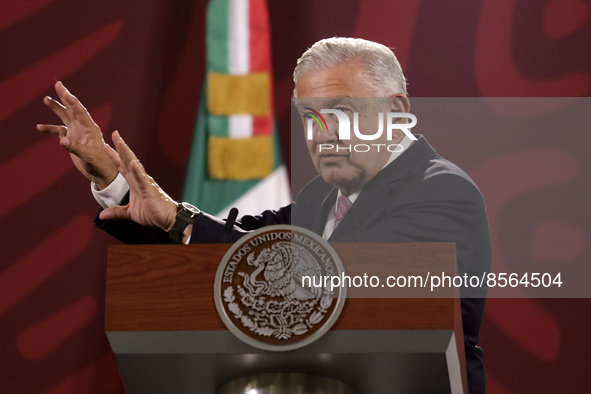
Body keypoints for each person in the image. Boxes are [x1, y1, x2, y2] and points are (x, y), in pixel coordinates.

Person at [38, 37, 491, 393]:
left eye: (341, 112)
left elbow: (328, 289)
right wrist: (125, 188)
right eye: (310, 118)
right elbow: (230, 253)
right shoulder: (322, 198)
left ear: (396, 113)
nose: (322, 135)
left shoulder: (441, 191)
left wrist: (188, 223)